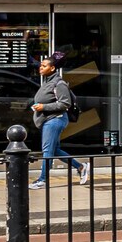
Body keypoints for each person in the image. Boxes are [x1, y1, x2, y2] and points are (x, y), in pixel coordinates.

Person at [29, 52, 90, 187]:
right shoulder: (47, 80)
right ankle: (81, 167)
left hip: (55, 120)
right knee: (54, 150)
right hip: (49, 120)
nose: (40, 68)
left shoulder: (59, 83)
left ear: (52, 68)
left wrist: (43, 106)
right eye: (40, 65)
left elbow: (65, 104)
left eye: (44, 66)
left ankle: (43, 180)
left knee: (47, 151)